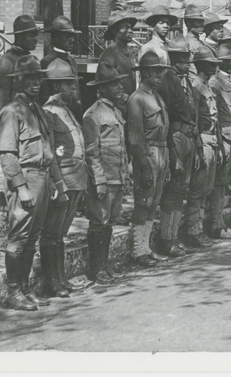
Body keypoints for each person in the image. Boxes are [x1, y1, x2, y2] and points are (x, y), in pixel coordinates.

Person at [0, 54, 67, 311]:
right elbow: (7, 155)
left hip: (44, 177)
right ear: (19, 81)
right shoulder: (12, 112)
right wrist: (21, 187)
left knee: (32, 237)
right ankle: (13, 292)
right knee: (19, 237)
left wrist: (58, 185)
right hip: (26, 179)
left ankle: (25, 289)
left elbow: (48, 150)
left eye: (38, 78)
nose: (35, 83)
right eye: (29, 78)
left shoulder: (37, 110)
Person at [40, 59, 88, 297]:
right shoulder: (49, 113)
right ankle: (52, 282)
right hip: (63, 182)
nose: (73, 88)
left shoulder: (66, 110)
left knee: (60, 234)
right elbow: (50, 153)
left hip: (75, 179)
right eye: (68, 84)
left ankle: (60, 279)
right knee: (51, 233)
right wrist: (59, 185)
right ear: (56, 85)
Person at [83, 63, 130, 284]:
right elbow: (91, 152)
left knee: (109, 223)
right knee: (98, 223)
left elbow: (121, 147)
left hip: (117, 176)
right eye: (113, 84)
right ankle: (96, 269)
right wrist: (99, 181)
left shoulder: (117, 112)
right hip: (104, 179)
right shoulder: (93, 115)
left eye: (119, 83)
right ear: (101, 90)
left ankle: (105, 264)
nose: (119, 87)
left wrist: (125, 175)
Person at [127, 51, 172, 267]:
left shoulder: (157, 97)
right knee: (143, 202)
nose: (160, 76)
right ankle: (138, 250)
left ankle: (146, 247)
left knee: (153, 202)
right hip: (148, 153)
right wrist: (143, 165)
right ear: (145, 73)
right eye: (155, 72)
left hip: (162, 152)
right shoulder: (137, 99)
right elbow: (135, 137)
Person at [156, 35, 200, 256]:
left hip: (189, 137)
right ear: (173, 58)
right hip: (175, 136)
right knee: (172, 191)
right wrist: (173, 154)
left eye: (188, 58)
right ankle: (167, 239)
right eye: (182, 58)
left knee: (182, 189)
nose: (187, 62)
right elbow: (167, 118)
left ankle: (174, 236)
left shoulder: (186, 81)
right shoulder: (167, 81)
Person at [187, 45, 222, 247]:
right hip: (202, 140)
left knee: (207, 188)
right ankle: (193, 231)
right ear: (202, 66)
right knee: (198, 189)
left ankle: (199, 229)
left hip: (212, 140)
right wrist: (198, 149)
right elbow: (195, 120)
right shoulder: (196, 87)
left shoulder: (207, 86)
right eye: (210, 65)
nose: (214, 68)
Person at [208, 44, 231, 240]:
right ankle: (216, 224)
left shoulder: (229, 82)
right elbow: (216, 116)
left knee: (223, 182)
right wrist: (220, 143)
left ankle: (219, 222)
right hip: (222, 138)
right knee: (218, 183)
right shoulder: (216, 83)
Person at [40, 15, 83, 119]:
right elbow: (44, 95)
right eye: (67, 36)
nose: (72, 40)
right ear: (57, 38)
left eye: (73, 36)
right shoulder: (47, 61)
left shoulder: (71, 60)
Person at [0, 14, 39, 110]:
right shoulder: (6, 62)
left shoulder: (31, 60)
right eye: (31, 35)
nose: (36, 39)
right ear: (19, 37)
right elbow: (3, 99)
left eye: (36, 35)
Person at [99, 12, 139, 109]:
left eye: (131, 28)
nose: (130, 31)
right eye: (125, 28)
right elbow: (105, 84)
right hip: (117, 105)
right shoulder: (110, 52)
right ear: (115, 32)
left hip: (128, 104)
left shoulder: (127, 51)